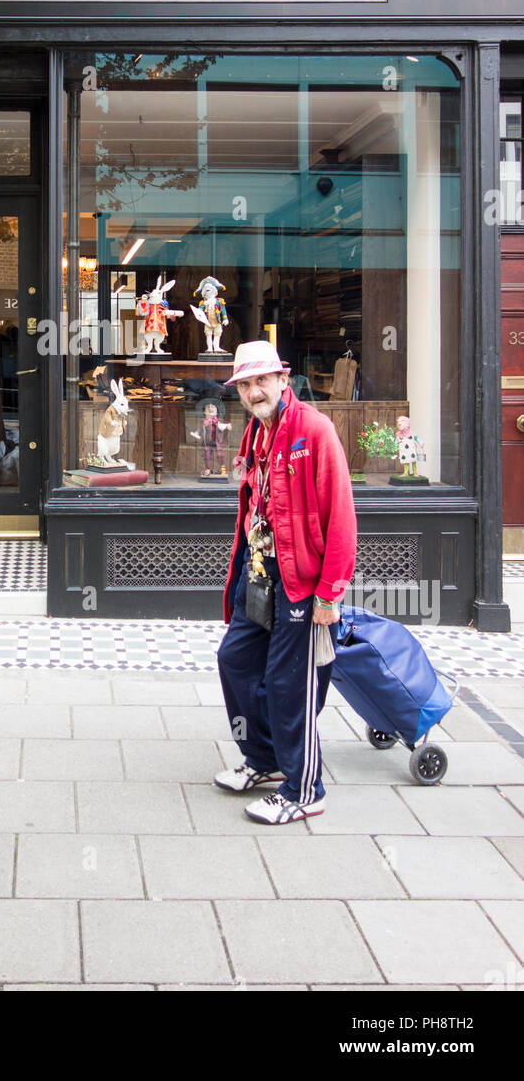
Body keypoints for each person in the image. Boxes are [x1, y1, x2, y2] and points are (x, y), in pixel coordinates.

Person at [216, 340, 357, 824]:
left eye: (262, 380)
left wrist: (330, 593)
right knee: (233, 659)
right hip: (260, 572)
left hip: (302, 582)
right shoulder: (257, 433)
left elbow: (341, 516)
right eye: (246, 384)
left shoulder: (314, 430)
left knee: (286, 682)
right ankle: (265, 759)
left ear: (283, 379)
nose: (255, 391)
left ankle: (305, 789)